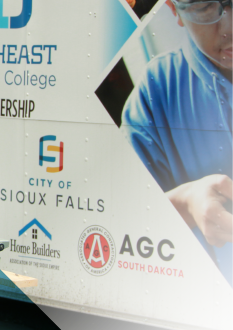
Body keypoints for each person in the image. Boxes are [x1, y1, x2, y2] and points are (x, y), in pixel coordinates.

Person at [121, 0, 232, 284]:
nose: (230, 29)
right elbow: (120, 221)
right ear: (173, 10)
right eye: (207, 6)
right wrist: (187, 202)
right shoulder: (154, 94)